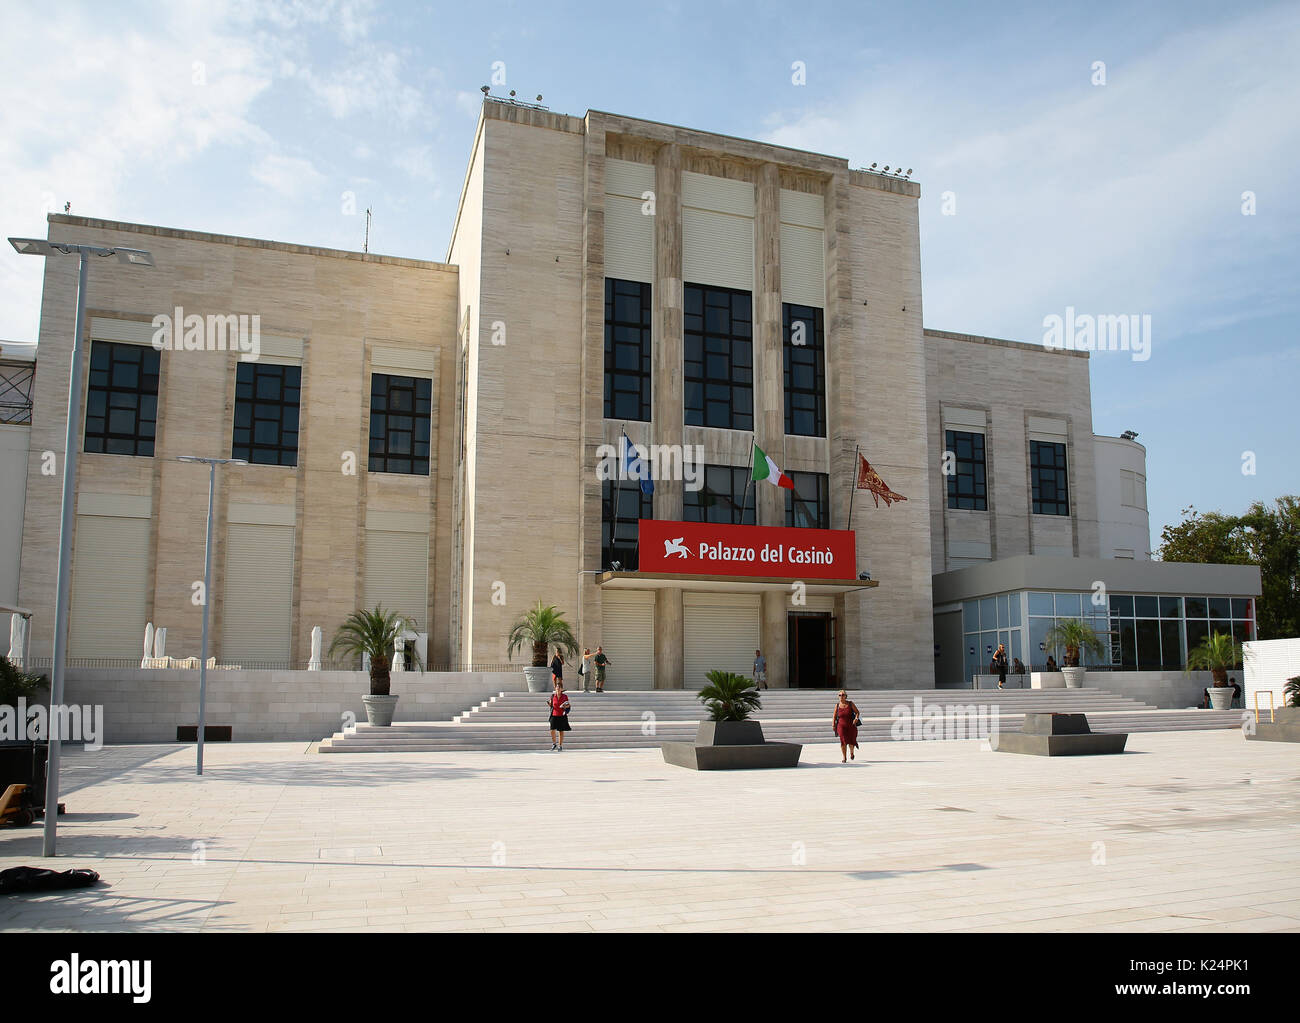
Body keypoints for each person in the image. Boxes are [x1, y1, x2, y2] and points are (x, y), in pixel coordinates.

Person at [832, 690, 860, 763]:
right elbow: (834, 716)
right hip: (841, 726)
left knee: (851, 741)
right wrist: (833, 725)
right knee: (843, 741)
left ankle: (851, 752)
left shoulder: (850, 704)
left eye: (843, 695)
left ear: (846, 696)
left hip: (851, 725)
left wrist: (856, 719)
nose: (841, 696)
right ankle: (844, 757)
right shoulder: (837, 705)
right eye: (839, 695)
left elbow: (857, 712)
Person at [548, 679, 571, 750]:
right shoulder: (552, 696)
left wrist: (564, 706)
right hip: (554, 715)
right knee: (552, 730)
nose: (557, 689)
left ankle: (560, 745)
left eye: (559, 688)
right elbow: (551, 705)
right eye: (556, 688)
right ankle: (554, 743)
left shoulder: (565, 696)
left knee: (561, 731)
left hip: (561, 715)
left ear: (561, 689)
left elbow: (568, 705)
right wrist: (549, 703)